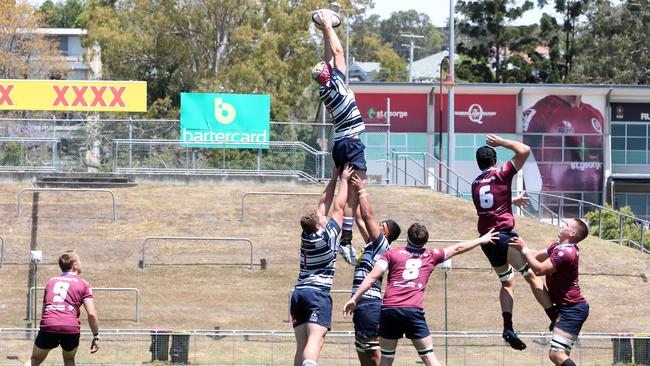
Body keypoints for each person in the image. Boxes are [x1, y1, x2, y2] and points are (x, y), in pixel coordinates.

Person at [343, 223, 498, 366]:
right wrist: (481, 240)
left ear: (408, 238)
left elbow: (371, 277)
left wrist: (354, 299)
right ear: (425, 242)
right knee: (429, 356)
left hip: (390, 310)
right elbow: (457, 248)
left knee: (386, 358)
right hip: (412, 311)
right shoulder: (431, 255)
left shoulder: (392, 254)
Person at [471, 134, 557, 351]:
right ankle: (555, 317)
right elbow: (524, 150)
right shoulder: (501, 174)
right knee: (532, 274)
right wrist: (501, 142)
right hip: (503, 235)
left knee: (507, 282)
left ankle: (508, 327)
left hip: (487, 240)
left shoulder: (475, 183)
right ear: (495, 161)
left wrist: (512, 200)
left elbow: (490, 199)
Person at [311, 9, 366, 249]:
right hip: (351, 143)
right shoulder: (339, 83)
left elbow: (328, 59)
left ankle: (343, 233)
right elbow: (337, 53)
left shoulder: (326, 88)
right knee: (354, 190)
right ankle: (346, 237)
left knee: (343, 187)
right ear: (330, 75)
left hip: (339, 144)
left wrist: (324, 32)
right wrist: (328, 25)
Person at [291, 164, 353, 366]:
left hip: (298, 293)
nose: (324, 216)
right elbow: (338, 207)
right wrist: (343, 180)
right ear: (319, 225)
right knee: (315, 340)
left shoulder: (306, 236)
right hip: (316, 294)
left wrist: (333, 177)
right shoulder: (328, 236)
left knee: (301, 346)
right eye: (322, 218)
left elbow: (323, 203)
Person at [509, 218, 590, 366]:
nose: (562, 225)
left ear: (572, 233)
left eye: (566, 225)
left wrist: (524, 248)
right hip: (568, 308)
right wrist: (511, 249)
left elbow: (539, 270)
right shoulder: (558, 247)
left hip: (572, 310)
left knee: (556, 354)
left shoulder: (567, 253)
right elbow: (535, 256)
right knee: (562, 356)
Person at [348, 174, 401, 366]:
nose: (377, 226)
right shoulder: (372, 245)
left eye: (381, 226)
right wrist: (351, 190)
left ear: (386, 233)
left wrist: (362, 189)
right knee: (362, 350)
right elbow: (360, 219)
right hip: (361, 304)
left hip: (370, 303)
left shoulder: (382, 245)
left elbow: (367, 216)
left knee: (374, 353)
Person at [28, 251, 99, 366]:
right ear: (75, 265)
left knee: (35, 359)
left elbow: (44, 310)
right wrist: (96, 336)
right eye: (79, 261)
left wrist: (46, 327)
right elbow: (91, 314)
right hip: (70, 326)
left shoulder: (51, 282)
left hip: (49, 323)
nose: (81, 263)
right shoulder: (83, 283)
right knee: (69, 360)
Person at [521, 95, 604, 193]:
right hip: (552, 201)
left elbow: (602, 159)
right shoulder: (541, 111)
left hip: (591, 200)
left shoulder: (595, 114)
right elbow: (518, 155)